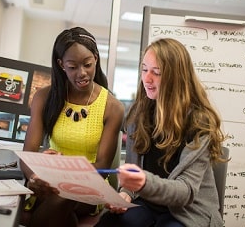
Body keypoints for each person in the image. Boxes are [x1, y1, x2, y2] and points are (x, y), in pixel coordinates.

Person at [95, 38, 227, 227]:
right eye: (144, 69)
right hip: (147, 204)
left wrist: (143, 182)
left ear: (176, 78)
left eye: (156, 72)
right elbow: (134, 175)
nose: (147, 79)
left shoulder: (199, 122)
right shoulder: (137, 115)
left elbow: (184, 193)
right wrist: (125, 193)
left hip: (187, 212)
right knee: (109, 223)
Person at [20, 27, 125, 227]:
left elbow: (102, 166)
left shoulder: (113, 107)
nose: (82, 73)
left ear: (95, 58)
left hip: (88, 186)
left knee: (61, 197)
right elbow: (29, 153)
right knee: (60, 210)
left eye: (87, 64)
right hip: (49, 182)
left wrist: (62, 177)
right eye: (72, 66)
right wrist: (34, 176)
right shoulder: (44, 97)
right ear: (61, 65)